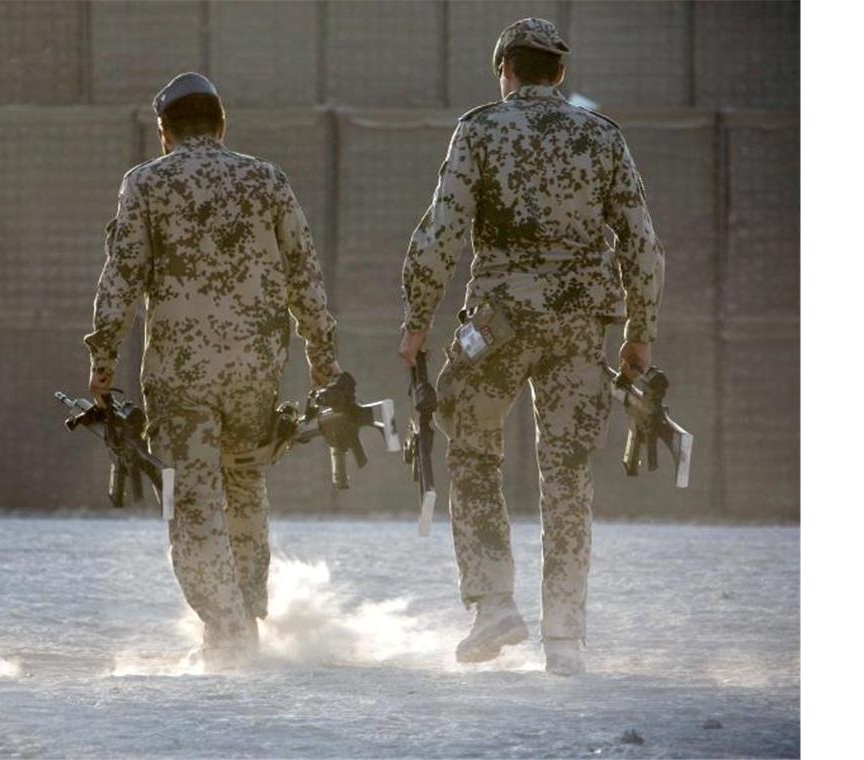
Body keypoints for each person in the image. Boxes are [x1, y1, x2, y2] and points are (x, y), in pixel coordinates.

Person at [398, 18, 664, 675]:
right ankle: (566, 637)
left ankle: (493, 604)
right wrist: (640, 334)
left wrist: (416, 320)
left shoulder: (481, 128)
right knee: (569, 474)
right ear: (561, 73)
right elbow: (640, 242)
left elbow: (442, 230)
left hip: (498, 327)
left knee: (473, 449)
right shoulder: (601, 138)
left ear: (505, 70)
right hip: (579, 330)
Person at [85, 73, 341, 668]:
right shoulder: (267, 179)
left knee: (191, 503)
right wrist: (323, 360)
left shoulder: (145, 184)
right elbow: (306, 274)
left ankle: (227, 633)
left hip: (181, 375)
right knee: (246, 487)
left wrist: (102, 363)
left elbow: (120, 280)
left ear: (163, 132)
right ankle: (245, 616)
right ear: (222, 125)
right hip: (256, 369)